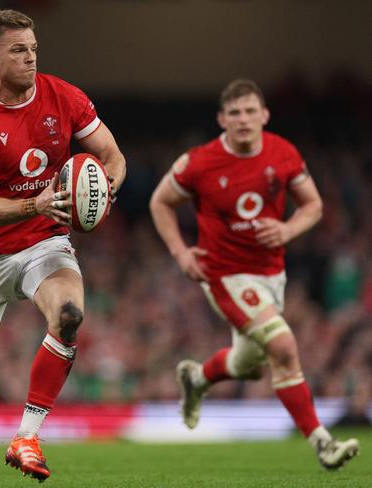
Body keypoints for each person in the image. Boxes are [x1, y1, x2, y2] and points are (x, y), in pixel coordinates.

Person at [0, 9, 126, 487]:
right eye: (18, 50)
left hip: (46, 239)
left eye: (33, 48)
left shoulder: (65, 97)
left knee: (70, 316)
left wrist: (104, 191)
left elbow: (112, 156)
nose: (30, 57)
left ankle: (26, 437)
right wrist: (35, 204)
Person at [149, 79, 360, 470]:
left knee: (250, 363)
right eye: (234, 113)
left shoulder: (283, 153)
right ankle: (322, 443)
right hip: (224, 275)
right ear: (221, 119)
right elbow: (160, 201)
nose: (243, 119)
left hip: (270, 274)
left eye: (250, 111)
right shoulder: (198, 162)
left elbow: (312, 206)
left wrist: (287, 230)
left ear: (264, 115)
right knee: (283, 346)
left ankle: (197, 378)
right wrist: (181, 253)